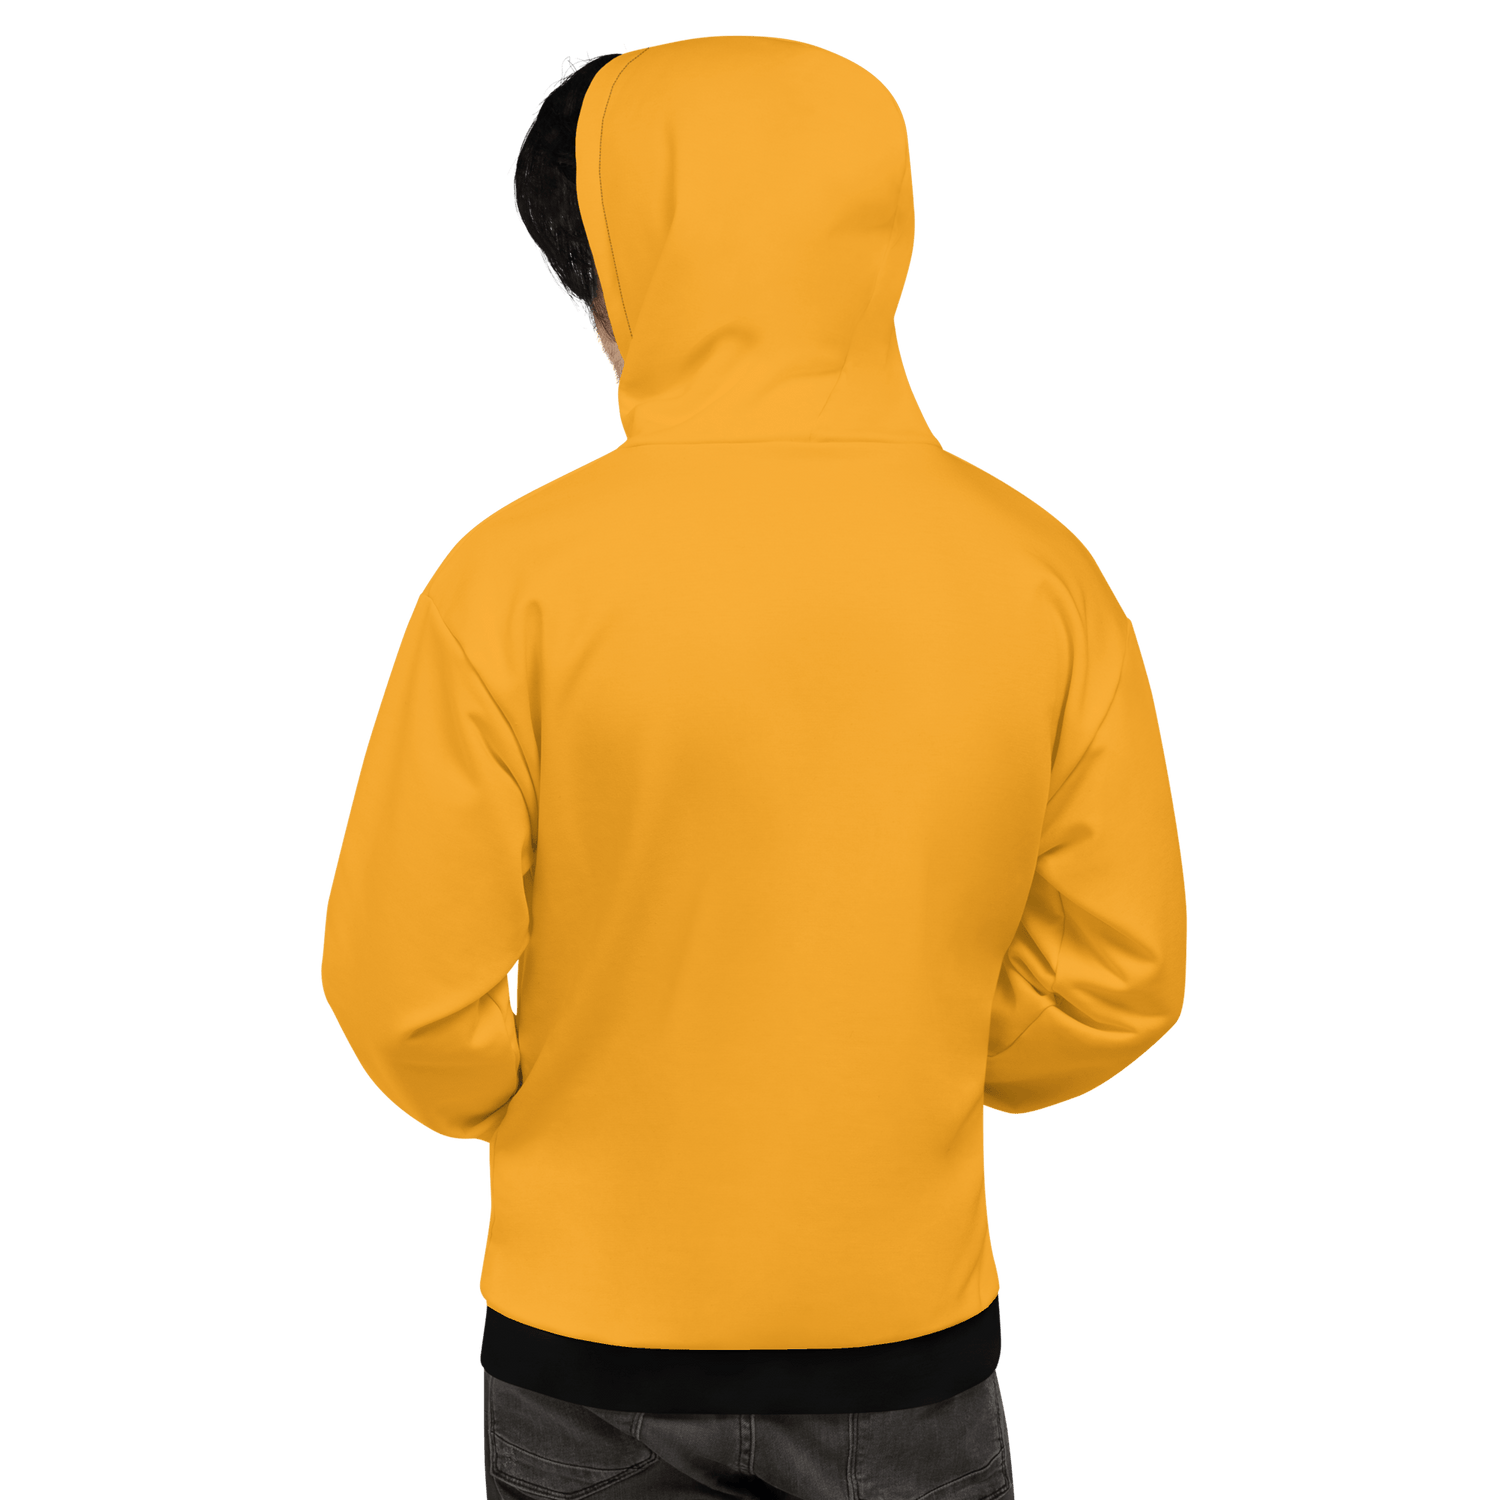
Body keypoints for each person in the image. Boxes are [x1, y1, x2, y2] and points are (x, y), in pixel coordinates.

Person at [320, 34, 1188, 1499]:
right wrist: (901, 1064)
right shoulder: (1042, 572)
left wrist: (524, 1092)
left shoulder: (508, 580)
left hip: (585, 1341)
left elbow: (403, 997)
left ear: (615, 290)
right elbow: (1123, 976)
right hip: (903, 1335)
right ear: (879, 237)